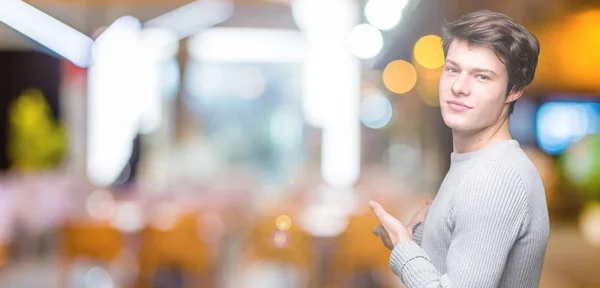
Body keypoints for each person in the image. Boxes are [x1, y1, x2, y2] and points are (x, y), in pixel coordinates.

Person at [369, 10, 550, 288]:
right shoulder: (476, 163)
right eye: (453, 69)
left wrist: (405, 251)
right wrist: (421, 237)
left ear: (514, 90)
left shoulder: (494, 178)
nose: (459, 87)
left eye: (482, 77)